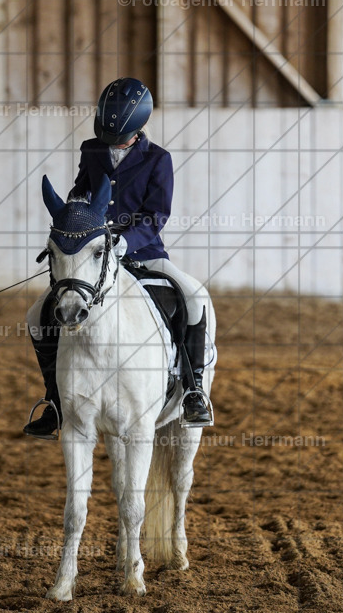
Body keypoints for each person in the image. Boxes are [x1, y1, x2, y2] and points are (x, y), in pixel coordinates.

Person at [24, 77, 212, 440]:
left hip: (141, 254)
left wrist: (125, 241)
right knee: (36, 315)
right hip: (92, 257)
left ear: (139, 127)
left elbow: (157, 213)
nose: (111, 144)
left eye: (120, 137)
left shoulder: (158, 160)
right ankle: (55, 399)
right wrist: (76, 217)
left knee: (194, 298)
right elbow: (81, 192)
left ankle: (192, 389)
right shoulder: (91, 150)